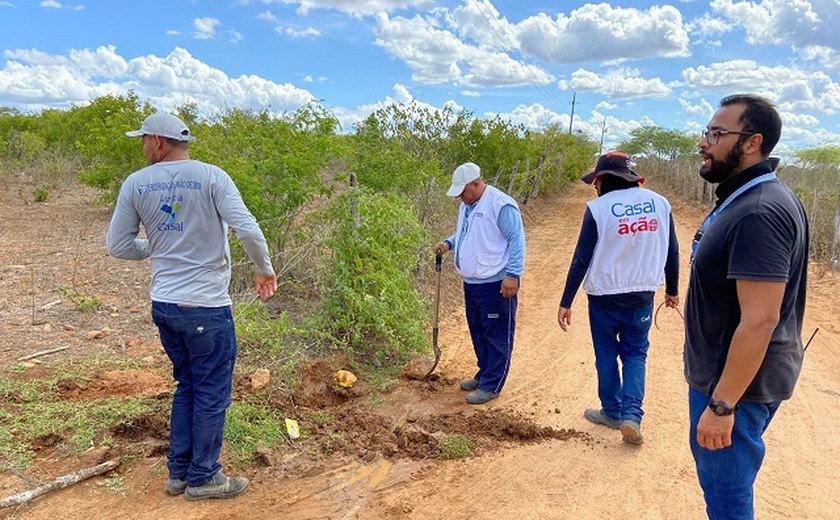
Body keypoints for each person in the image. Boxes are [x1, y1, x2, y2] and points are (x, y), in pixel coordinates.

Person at [106, 112, 277, 501]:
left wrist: (158, 248)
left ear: (160, 142)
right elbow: (248, 229)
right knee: (212, 391)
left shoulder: (135, 183)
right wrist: (264, 271)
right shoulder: (213, 176)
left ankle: (179, 473)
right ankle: (204, 477)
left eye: (144, 139)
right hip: (206, 307)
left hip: (165, 304)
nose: (143, 146)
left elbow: (118, 246)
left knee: (188, 385)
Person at [685, 94, 808, 519]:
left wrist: (722, 406)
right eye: (707, 131)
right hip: (728, 380)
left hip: (735, 388)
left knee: (727, 497)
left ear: (752, 142)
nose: (705, 142)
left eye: (717, 134)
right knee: (724, 492)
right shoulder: (744, 198)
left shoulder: (758, 210)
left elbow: (760, 319)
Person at [557, 151, 679, 445]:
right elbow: (672, 250)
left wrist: (566, 301)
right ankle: (631, 416)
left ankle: (611, 411)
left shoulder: (598, 209)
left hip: (604, 298)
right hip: (642, 295)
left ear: (600, 181)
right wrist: (672, 290)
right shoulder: (660, 204)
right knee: (636, 353)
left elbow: (581, 258)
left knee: (606, 353)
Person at [434, 162, 525, 405]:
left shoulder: (501, 205)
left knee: (496, 334)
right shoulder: (468, 205)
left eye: (463, 191)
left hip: (495, 282)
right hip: (472, 283)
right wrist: (449, 243)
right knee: (478, 330)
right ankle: (484, 373)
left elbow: (516, 240)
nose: (460, 197)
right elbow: (466, 232)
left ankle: (492, 384)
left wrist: (513, 274)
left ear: (476, 183)